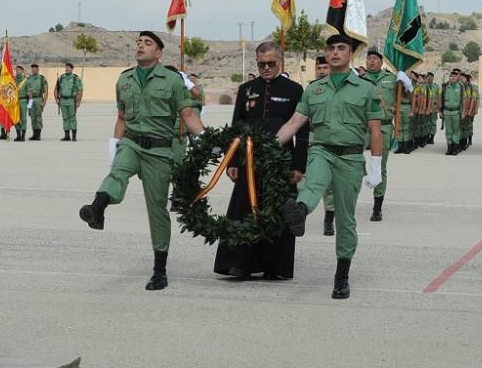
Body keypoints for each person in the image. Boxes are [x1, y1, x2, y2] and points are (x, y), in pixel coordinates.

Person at [78, 30, 205, 291]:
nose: (141, 46)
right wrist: (115, 144)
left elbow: (189, 113)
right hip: (133, 142)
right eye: (138, 42)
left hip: (160, 151)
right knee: (118, 173)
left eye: (147, 43)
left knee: (157, 209)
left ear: (158, 52)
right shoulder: (124, 81)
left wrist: (206, 138)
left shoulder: (172, 81)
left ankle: (160, 270)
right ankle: (97, 207)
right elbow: (122, 118)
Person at [275, 34, 385, 300]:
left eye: (341, 48)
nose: (335, 53)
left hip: (350, 157)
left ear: (350, 55)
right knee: (313, 184)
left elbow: (375, 128)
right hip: (321, 150)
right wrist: (268, 145)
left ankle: (342, 276)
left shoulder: (366, 89)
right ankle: (300, 211)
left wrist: (376, 164)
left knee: (345, 219)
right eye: (331, 48)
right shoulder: (314, 89)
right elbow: (294, 123)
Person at [213, 41, 308, 280]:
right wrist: (232, 162)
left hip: (281, 161)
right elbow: (236, 128)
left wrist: (298, 166)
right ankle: (239, 264)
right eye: (261, 64)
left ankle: (275, 266)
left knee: (277, 211)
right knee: (243, 209)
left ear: (280, 62)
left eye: (271, 63)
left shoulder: (295, 90)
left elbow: (303, 133)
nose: (266, 68)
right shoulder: (246, 89)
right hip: (249, 159)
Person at [362, 49, 401, 221]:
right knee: (351, 164)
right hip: (361, 129)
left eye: (375, 59)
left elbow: (406, 95)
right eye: (369, 58)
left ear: (381, 62)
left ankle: (377, 207)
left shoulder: (392, 79)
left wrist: (406, 82)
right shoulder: (358, 80)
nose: (371, 61)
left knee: (380, 167)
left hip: (384, 128)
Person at [311, 56, 336, 236]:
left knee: (329, 185)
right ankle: (300, 216)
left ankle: (329, 221)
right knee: (303, 182)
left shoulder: (337, 90)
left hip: (330, 141)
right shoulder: (309, 89)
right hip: (311, 140)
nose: (321, 71)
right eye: (319, 67)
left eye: (325, 67)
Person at [56, 63, 83, 141]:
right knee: (65, 118)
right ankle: (67, 136)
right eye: (66, 67)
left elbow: (80, 90)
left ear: (72, 69)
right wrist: (57, 99)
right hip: (63, 100)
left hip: (72, 101)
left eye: (69, 68)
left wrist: (78, 101)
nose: (67, 69)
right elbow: (57, 89)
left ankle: (74, 136)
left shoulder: (75, 78)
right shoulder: (61, 78)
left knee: (72, 118)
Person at [441, 69, 464, 155]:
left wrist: (464, 111)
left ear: (457, 77)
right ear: (449, 77)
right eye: (451, 76)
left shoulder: (460, 87)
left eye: (454, 76)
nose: (453, 78)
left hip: (456, 111)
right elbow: (441, 98)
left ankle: (455, 148)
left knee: (456, 130)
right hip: (446, 111)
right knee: (448, 130)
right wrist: (440, 110)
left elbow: (464, 100)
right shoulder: (445, 86)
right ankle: (449, 148)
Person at [25, 63, 48, 140]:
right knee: (32, 116)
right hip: (30, 100)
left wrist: (44, 102)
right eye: (32, 68)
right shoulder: (29, 79)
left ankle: (38, 135)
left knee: (38, 116)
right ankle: (34, 134)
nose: (33, 70)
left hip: (38, 99)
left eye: (35, 68)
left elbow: (46, 91)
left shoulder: (42, 78)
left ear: (38, 69)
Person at [14, 65, 28, 141]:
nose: (17, 71)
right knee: (16, 118)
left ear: (22, 71)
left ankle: (23, 136)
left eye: (19, 69)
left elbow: (30, 92)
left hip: (23, 101)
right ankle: (18, 135)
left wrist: (30, 104)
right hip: (15, 102)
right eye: (16, 69)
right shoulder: (13, 80)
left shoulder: (25, 80)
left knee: (23, 118)